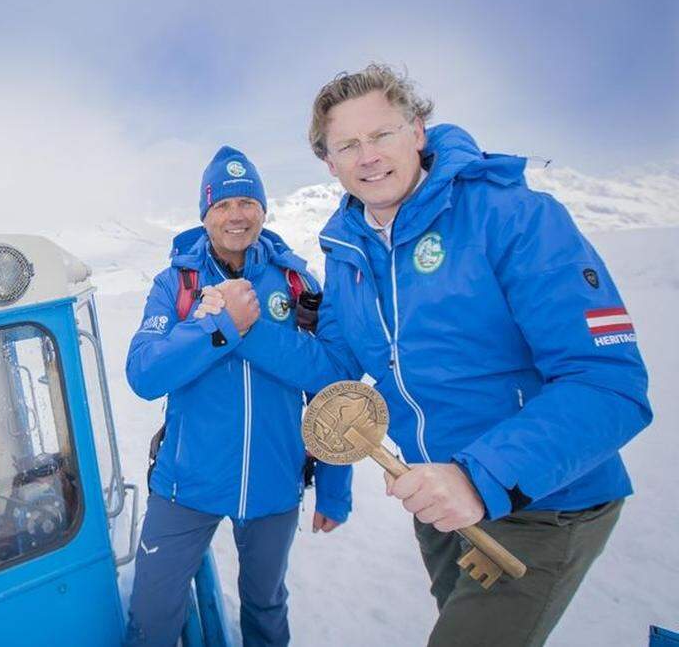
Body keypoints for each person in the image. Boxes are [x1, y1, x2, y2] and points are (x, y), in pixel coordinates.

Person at [237, 64, 651, 646]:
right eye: (348, 144)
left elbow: (609, 384)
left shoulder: (511, 216)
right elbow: (333, 364)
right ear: (329, 162)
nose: (368, 156)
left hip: (542, 499)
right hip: (436, 497)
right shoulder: (347, 247)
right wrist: (247, 328)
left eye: (382, 134)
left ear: (418, 130)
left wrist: (479, 478)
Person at [124, 146, 352, 647]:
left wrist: (335, 487)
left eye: (247, 201)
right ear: (205, 215)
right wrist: (218, 328)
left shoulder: (297, 285)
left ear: (263, 211)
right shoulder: (176, 284)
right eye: (222, 205)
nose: (236, 215)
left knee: (266, 606)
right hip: (186, 483)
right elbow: (143, 374)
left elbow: (334, 384)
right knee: (153, 610)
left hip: (274, 483)